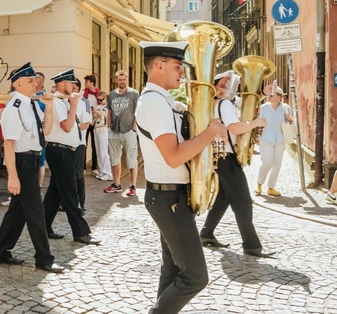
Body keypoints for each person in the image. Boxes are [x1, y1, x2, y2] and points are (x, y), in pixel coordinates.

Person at [136, 42, 228, 314]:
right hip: (168, 198)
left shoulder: (162, 100)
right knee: (195, 277)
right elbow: (174, 156)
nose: (182, 73)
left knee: (173, 270)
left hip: (171, 196)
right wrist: (210, 133)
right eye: (178, 67)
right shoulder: (154, 103)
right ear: (159, 65)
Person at [0, 63, 64, 272]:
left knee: (18, 211)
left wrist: (49, 107)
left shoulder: (30, 104)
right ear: (18, 83)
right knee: (35, 211)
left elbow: (47, 131)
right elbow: (9, 144)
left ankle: (0, 252)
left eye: (36, 80)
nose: (36, 83)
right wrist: (12, 177)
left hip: (32, 160)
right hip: (22, 164)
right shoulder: (14, 107)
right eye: (31, 81)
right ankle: (44, 258)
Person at [199, 71, 275, 258]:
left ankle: (206, 234)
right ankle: (252, 246)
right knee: (243, 202)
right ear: (214, 84)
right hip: (226, 157)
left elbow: (243, 105)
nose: (226, 85)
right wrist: (256, 122)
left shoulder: (214, 103)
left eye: (228, 82)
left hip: (219, 157)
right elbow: (234, 127)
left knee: (223, 198)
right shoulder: (224, 103)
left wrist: (263, 95)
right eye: (222, 82)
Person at [42, 70, 100, 245]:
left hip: (66, 150)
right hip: (60, 151)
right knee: (70, 192)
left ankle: (43, 226)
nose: (74, 86)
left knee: (55, 192)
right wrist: (74, 105)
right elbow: (67, 127)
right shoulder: (58, 102)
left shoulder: (64, 101)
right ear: (61, 85)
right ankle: (80, 232)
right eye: (70, 82)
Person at [104, 70, 140, 196]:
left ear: (127, 79)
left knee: (132, 159)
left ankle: (133, 186)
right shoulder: (112, 95)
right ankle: (117, 184)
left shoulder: (134, 94)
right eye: (119, 80)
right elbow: (109, 111)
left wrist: (134, 127)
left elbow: (138, 111)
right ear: (116, 80)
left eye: (124, 79)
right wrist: (109, 126)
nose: (122, 82)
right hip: (114, 131)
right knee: (114, 159)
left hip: (129, 130)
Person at [256, 86, 293, 197]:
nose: (269, 96)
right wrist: (257, 136)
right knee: (268, 162)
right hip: (266, 138)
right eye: (268, 94)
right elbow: (258, 122)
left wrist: (289, 118)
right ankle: (259, 184)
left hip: (280, 139)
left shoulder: (285, 108)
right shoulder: (263, 108)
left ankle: (271, 188)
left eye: (272, 95)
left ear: (279, 96)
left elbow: (291, 123)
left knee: (277, 164)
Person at [72, 78, 92, 212]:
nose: (72, 89)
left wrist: (72, 128)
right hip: (65, 144)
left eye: (74, 87)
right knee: (67, 175)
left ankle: (80, 202)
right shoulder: (63, 101)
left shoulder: (84, 102)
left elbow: (86, 123)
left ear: (78, 88)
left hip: (79, 143)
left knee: (78, 175)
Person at [82, 75, 101, 177]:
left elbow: (101, 106)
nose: (85, 84)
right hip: (86, 121)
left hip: (94, 122)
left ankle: (94, 167)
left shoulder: (98, 94)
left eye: (86, 82)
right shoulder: (83, 93)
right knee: (84, 144)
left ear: (92, 82)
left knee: (95, 145)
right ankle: (83, 167)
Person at [91, 92, 112, 181]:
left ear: (106, 98)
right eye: (98, 100)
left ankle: (108, 173)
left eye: (101, 100)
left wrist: (97, 112)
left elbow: (104, 116)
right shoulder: (99, 107)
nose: (99, 101)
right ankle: (103, 172)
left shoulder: (108, 107)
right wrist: (94, 113)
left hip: (103, 130)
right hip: (96, 129)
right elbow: (96, 117)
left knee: (104, 152)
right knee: (99, 152)